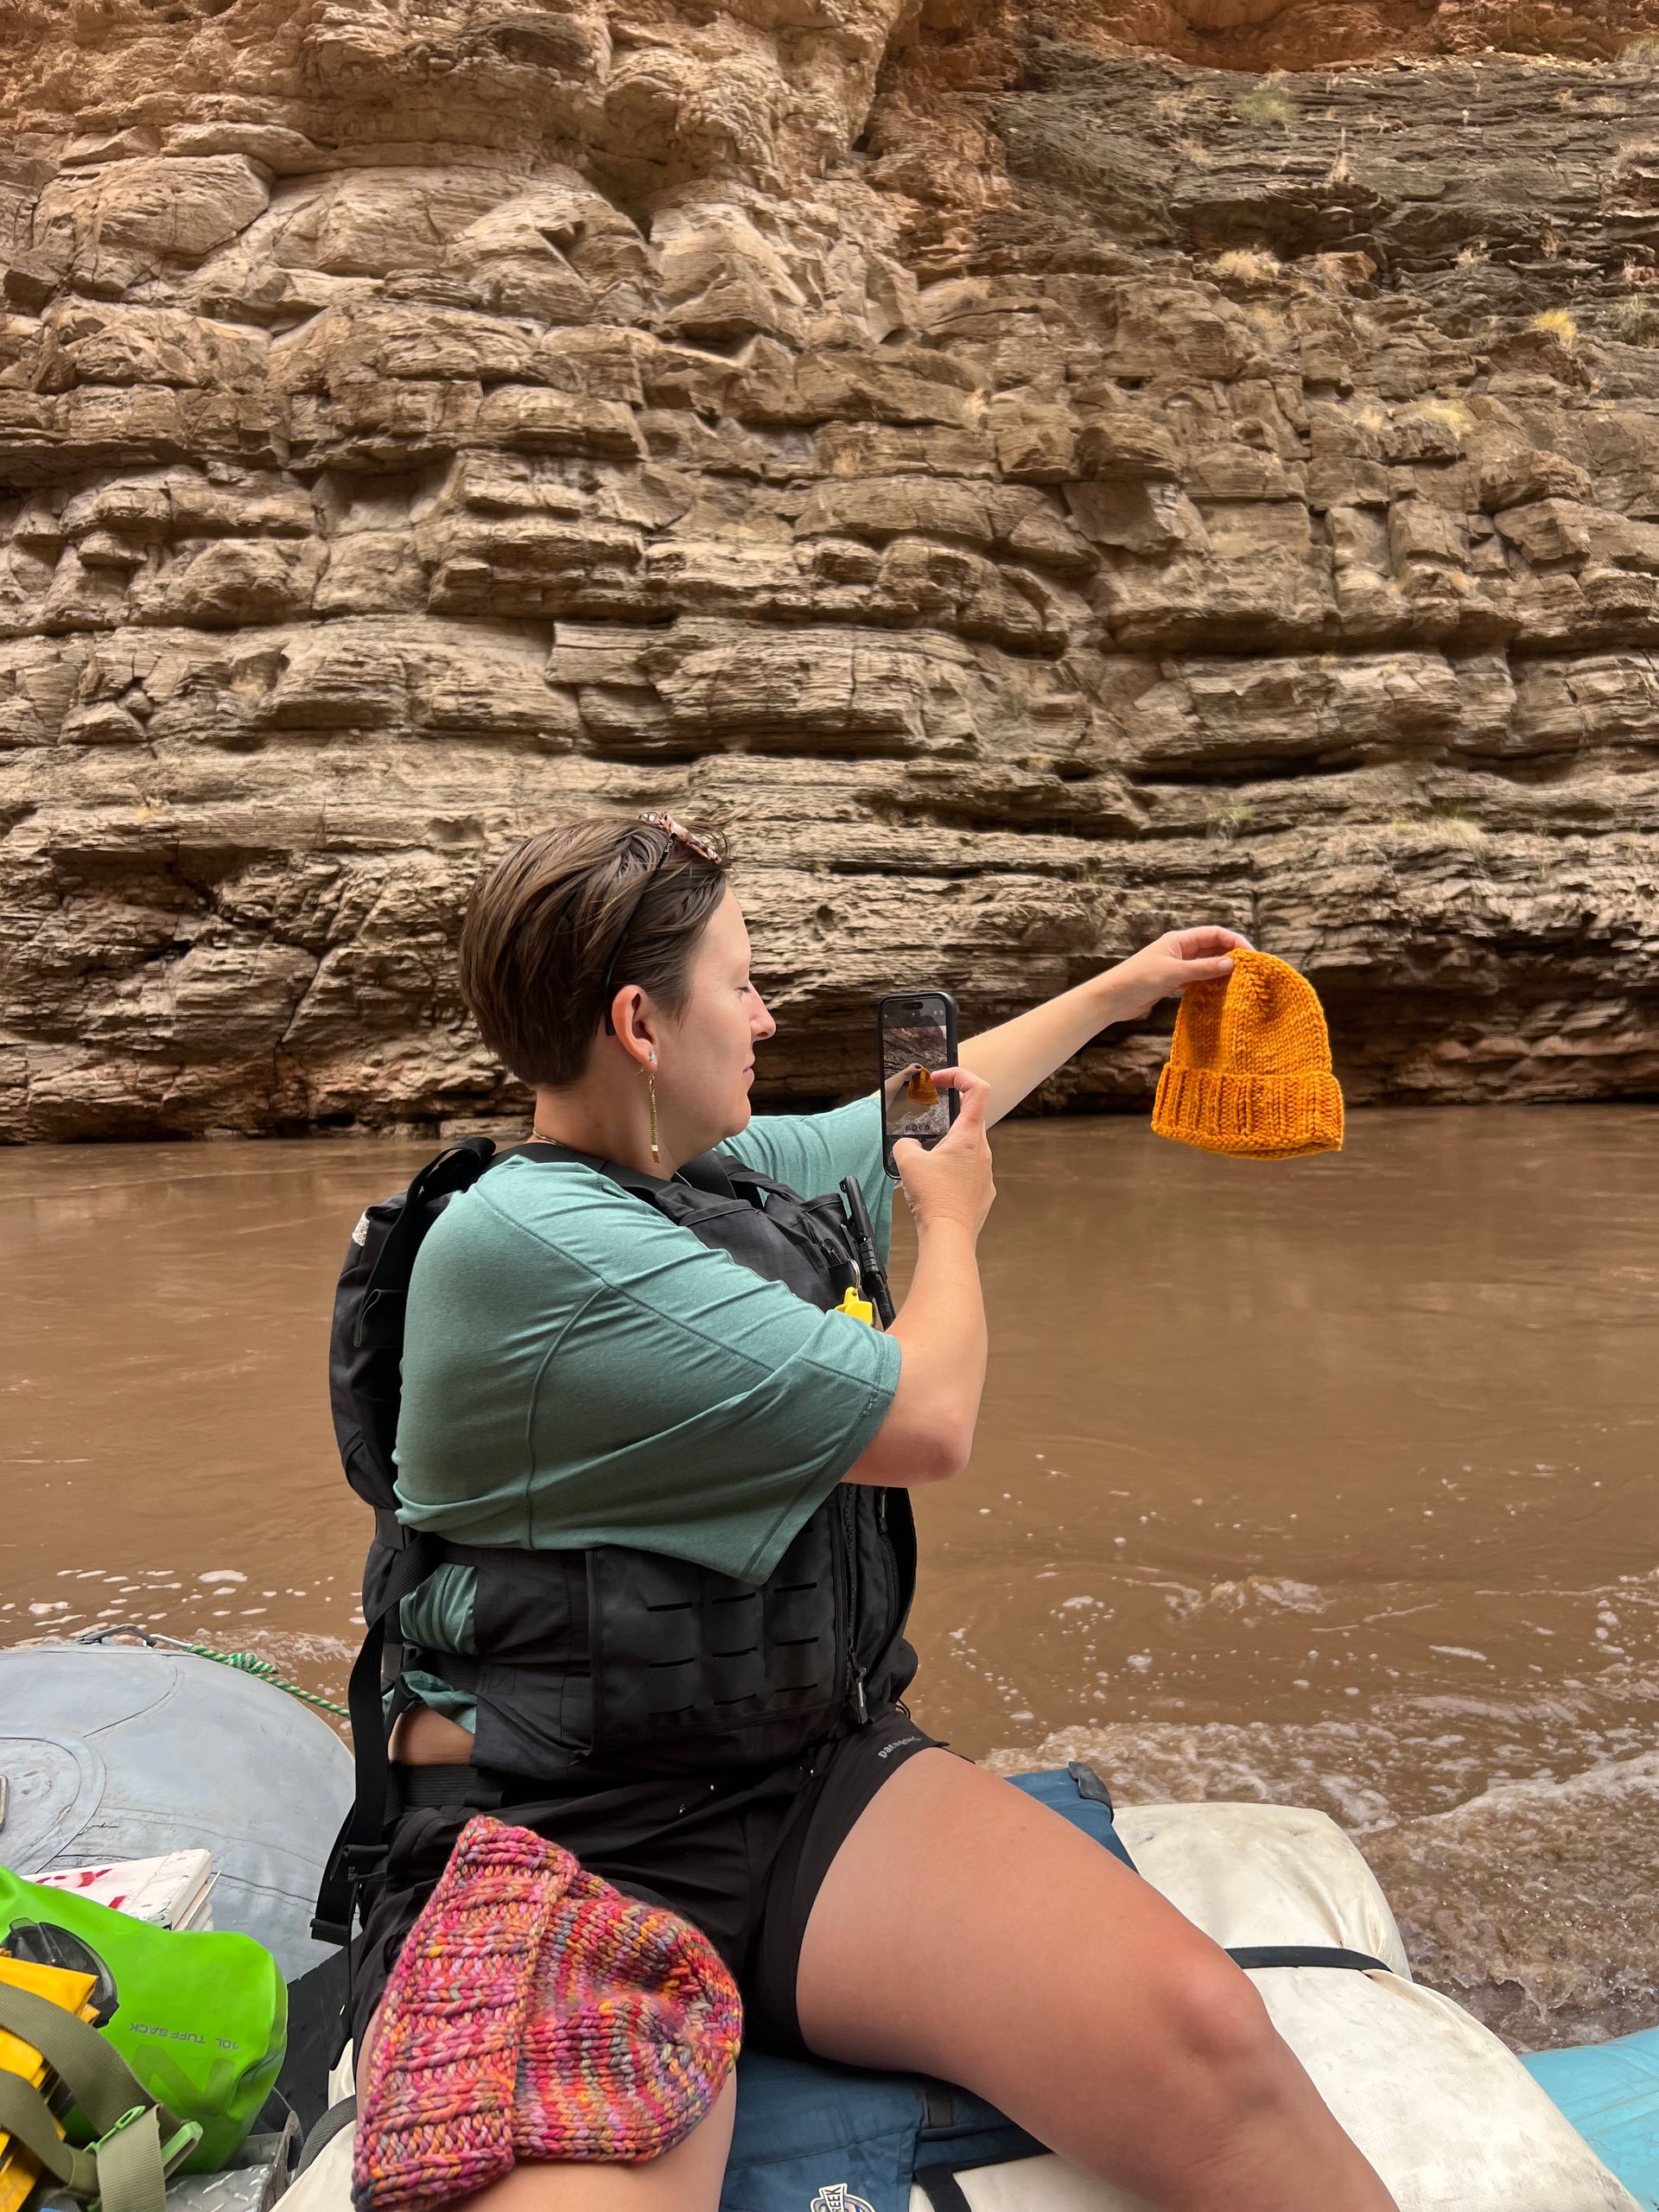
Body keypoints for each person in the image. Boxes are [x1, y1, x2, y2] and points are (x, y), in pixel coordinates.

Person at [351, 812, 1394, 2212]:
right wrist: (953, 1228)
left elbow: (905, 1125)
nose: (770, 1016)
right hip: (562, 1828)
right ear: (641, 1023)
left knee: (1203, 2037)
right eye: (742, 983)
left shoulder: (692, 1177)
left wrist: (1119, 992)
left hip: (795, 1782)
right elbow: (926, 1423)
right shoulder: (530, 1242)